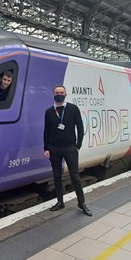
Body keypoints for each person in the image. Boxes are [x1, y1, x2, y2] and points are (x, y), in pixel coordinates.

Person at [43, 85, 92, 216]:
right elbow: (46, 131)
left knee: (75, 176)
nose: (59, 94)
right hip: (54, 149)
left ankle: (81, 203)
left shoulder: (73, 109)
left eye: (61, 92)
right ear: (53, 95)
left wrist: (78, 145)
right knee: (57, 176)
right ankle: (60, 202)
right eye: (57, 92)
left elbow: (80, 128)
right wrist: (46, 148)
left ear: (66, 94)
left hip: (70, 148)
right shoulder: (49, 112)